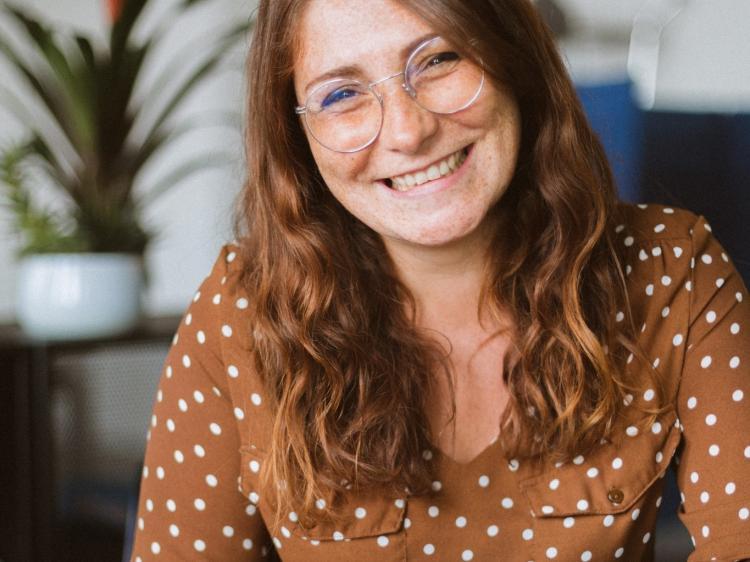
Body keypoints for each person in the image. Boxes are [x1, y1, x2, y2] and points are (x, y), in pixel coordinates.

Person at [129, 0, 750, 560]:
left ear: (514, 58)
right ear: (297, 137)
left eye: (439, 59)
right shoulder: (240, 312)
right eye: (341, 95)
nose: (407, 130)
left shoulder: (671, 270)